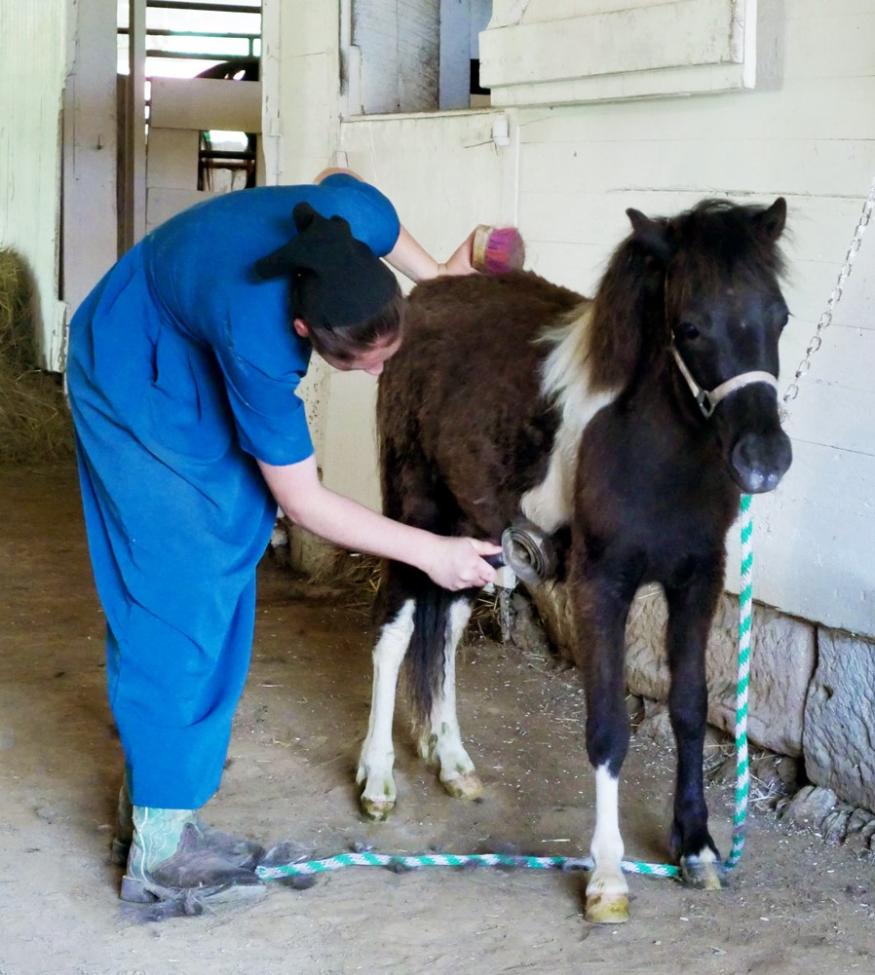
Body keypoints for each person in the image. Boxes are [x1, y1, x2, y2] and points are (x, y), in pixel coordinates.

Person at [66, 169, 501, 905]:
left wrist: (438, 280)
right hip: (134, 363)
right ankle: (161, 848)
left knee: (234, 533)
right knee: (180, 579)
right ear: (305, 332)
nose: (377, 372)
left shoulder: (351, 218)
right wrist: (433, 552)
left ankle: (153, 798)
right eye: (363, 364)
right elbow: (304, 503)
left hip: (188, 327)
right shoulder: (258, 337)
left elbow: (349, 185)